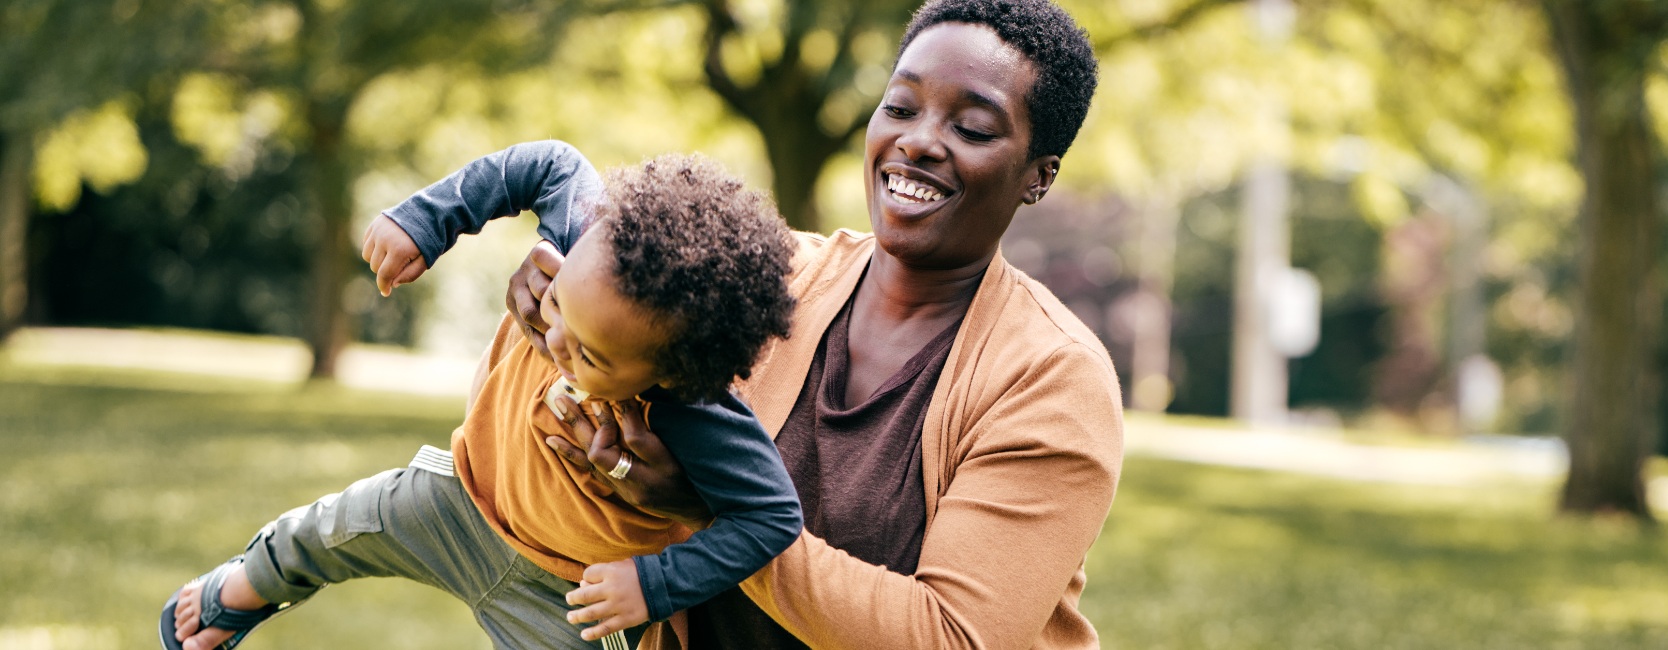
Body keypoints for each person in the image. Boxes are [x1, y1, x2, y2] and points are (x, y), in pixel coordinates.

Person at [368, 0, 1123, 647]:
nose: (920, 139)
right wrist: (560, 312)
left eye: (974, 126)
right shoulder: (764, 278)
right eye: (900, 105)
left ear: (1038, 173)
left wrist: (706, 514)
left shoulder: (1052, 379)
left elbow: (951, 635)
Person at [161, 153, 804, 650]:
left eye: (590, 355)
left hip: (566, 599)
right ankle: (240, 592)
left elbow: (771, 516)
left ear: (675, 373)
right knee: (334, 529)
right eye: (557, 308)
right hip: (461, 499)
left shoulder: (697, 409)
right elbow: (546, 162)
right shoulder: (581, 236)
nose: (553, 339)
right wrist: (426, 219)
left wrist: (654, 585)